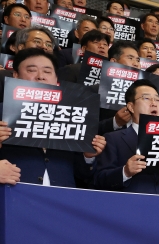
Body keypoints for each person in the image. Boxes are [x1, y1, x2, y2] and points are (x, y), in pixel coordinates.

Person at [0, 48, 105, 187]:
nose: (40, 76)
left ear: (56, 80)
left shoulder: (74, 116)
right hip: (13, 196)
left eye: (47, 71)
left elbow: (83, 175)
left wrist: (87, 156)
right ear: (15, 76)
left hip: (60, 201)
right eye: (32, 70)